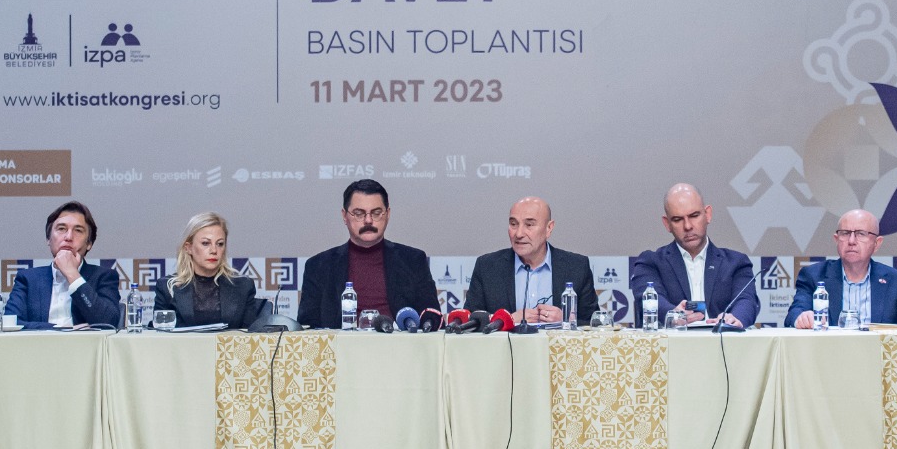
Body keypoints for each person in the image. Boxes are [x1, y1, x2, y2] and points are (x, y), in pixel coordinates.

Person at [297, 179, 439, 329]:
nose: (368, 220)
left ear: (388, 214)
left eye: (376, 213)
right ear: (345, 216)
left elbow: (431, 315)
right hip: (341, 343)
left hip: (398, 342)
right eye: (359, 214)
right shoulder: (318, 266)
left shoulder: (413, 260)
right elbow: (307, 326)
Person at [628, 184, 758, 327]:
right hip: (673, 340)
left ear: (707, 215)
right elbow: (649, 298)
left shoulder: (736, 263)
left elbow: (747, 300)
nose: (688, 226)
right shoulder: (650, 263)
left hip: (722, 339)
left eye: (694, 216)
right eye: (677, 219)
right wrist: (672, 315)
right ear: (667, 224)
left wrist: (734, 319)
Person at [465, 196, 597, 327]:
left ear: (549, 228)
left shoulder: (577, 267)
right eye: (513, 224)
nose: (519, 234)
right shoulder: (487, 267)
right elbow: (469, 322)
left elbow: (595, 324)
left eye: (529, 225)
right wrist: (507, 320)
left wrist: (566, 320)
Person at [786, 208, 897, 328]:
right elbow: (795, 312)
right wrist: (801, 317)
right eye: (845, 233)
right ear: (836, 239)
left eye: (861, 234)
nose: (851, 241)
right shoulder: (813, 275)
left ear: (877, 243)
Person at [5, 200, 121, 327]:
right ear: (48, 239)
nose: (68, 237)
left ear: (89, 243)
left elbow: (108, 324)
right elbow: (11, 323)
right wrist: (60, 330)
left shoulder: (104, 277)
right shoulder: (28, 279)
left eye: (78, 230)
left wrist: (73, 275)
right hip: (43, 341)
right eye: (61, 229)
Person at [154, 212, 265, 329]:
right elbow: (159, 335)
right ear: (189, 248)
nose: (214, 250)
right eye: (205, 243)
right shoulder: (167, 288)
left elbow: (250, 335)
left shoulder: (243, 286)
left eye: (220, 244)